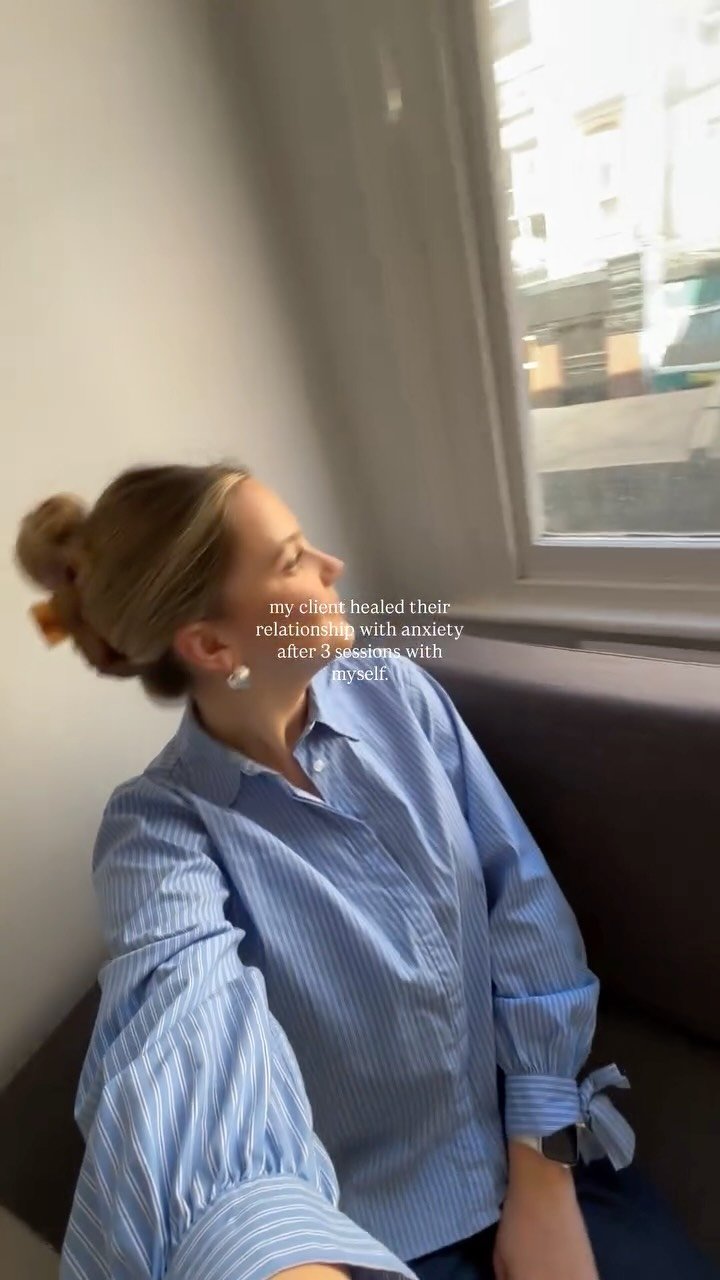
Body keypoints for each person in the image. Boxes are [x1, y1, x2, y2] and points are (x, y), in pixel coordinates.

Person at [15, 463, 718, 1280]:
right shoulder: (156, 834)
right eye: (291, 559)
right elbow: (184, 1041)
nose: (331, 565)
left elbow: (526, 915)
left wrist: (544, 1180)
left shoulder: (399, 694)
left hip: (548, 1148)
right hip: (377, 1239)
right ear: (212, 646)